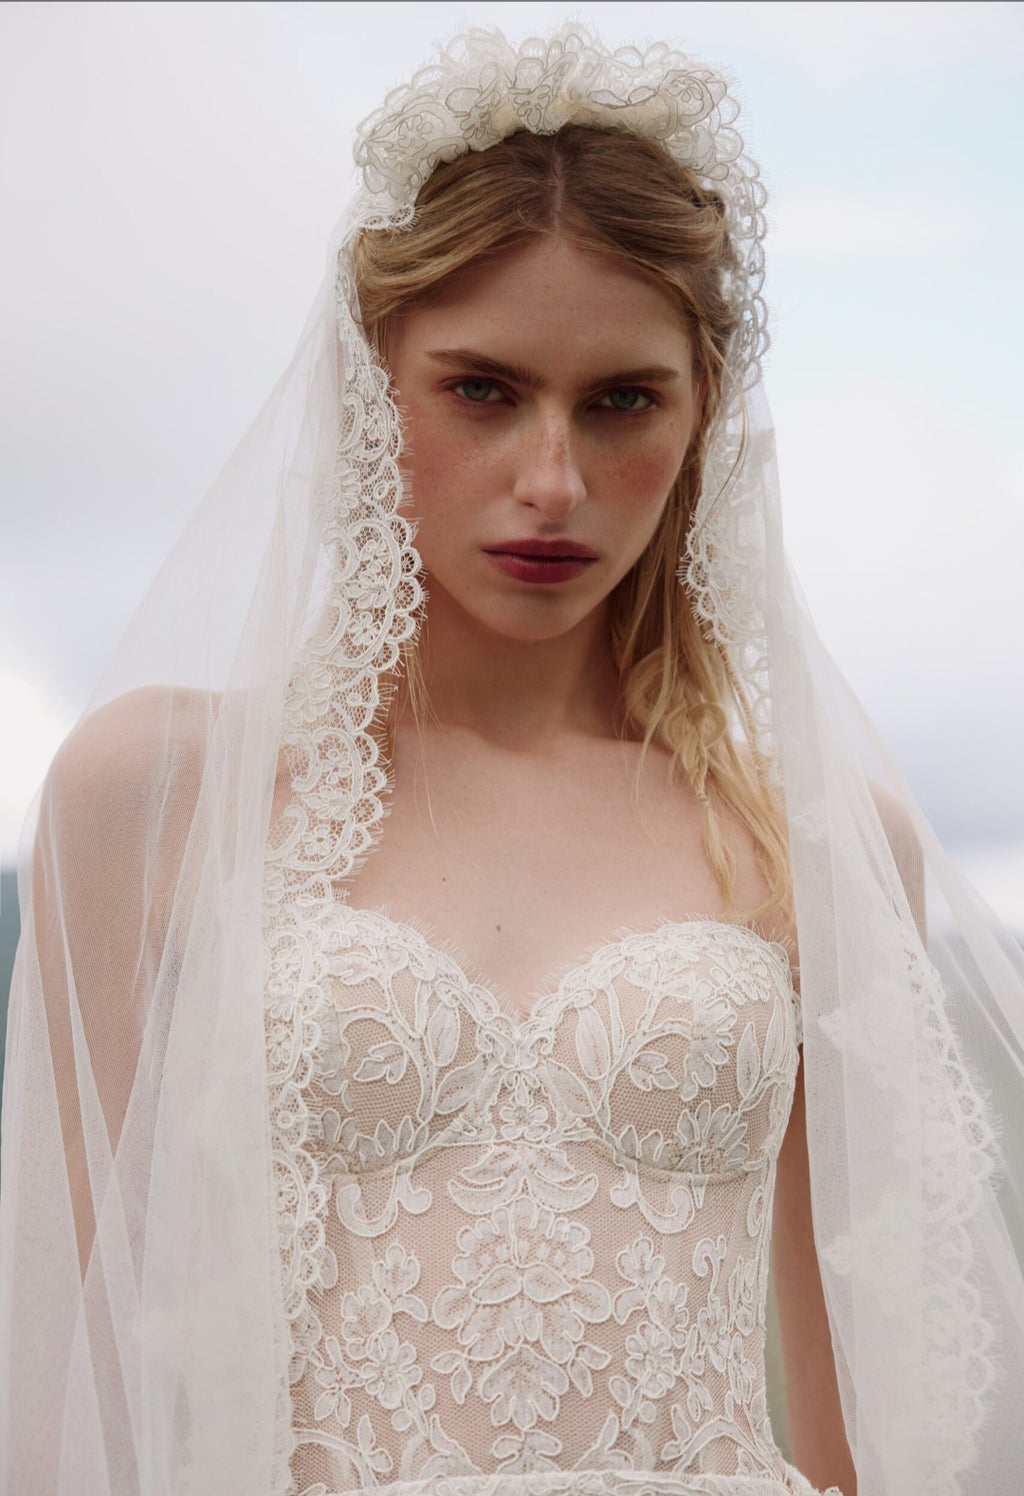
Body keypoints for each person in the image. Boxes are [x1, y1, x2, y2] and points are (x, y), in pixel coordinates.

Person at [1, 24, 1022, 1496]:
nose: (553, 481)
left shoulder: (810, 840)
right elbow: (62, 1392)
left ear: (702, 418)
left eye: (622, 401)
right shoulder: (152, 791)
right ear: (373, 394)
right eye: (483, 389)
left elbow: (858, 1417)